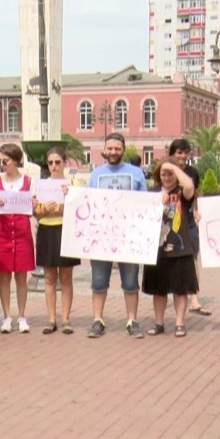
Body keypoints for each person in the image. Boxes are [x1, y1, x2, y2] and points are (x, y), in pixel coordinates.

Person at [86, 133, 147, 339]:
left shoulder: (136, 173)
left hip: (128, 237)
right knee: (98, 281)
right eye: (110, 148)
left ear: (123, 150)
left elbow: (145, 203)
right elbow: (87, 202)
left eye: (117, 148)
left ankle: (132, 321)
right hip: (101, 236)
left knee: (130, 282)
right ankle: (97, 320)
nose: (113, 152)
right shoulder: (95, 174)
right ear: (104, 150)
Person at [143, 159, 198, 337]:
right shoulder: (152, 193)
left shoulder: (182, 193)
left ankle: (179, 323)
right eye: (163, 174)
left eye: (170, 174)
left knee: (180, 289)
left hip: (180, 247)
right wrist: (157, 203)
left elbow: (189, 185)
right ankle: (159, 323)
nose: (167, 178)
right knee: (158, 289)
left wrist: (173, 166)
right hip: (157, 248)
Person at [33, 146, 79, 334]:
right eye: (50, 162)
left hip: (66, 230)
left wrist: (63, 207)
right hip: (46, 230)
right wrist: (43, 210)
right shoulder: (41, 185)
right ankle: (51, 319)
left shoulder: (73, 184)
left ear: (64, 162)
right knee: (49, 277)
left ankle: (66, 319)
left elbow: (81, 210)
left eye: (57, 162)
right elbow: (36, 213)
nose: (54, 166)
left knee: (66, 277)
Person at [0, 143, 35, 334]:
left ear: (16, 161)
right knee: (4, 275)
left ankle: (22, 316)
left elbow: (32, 211)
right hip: (3, 231)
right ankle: (7, 316)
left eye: (5, 161)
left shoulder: (28, 181)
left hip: (22, 230)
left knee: (21, 275)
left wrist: (33, 205)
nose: (2, 165)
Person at [170, 138, 211, 317]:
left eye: (185, 152)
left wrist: (196, 210)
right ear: (172, 153)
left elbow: (195, 193)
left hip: (189, 222)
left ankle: (194, 298)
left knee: (193, 258)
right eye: (179, 152)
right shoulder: (166, 170)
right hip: (170, 222)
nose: (183, 156)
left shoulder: (193, 172)